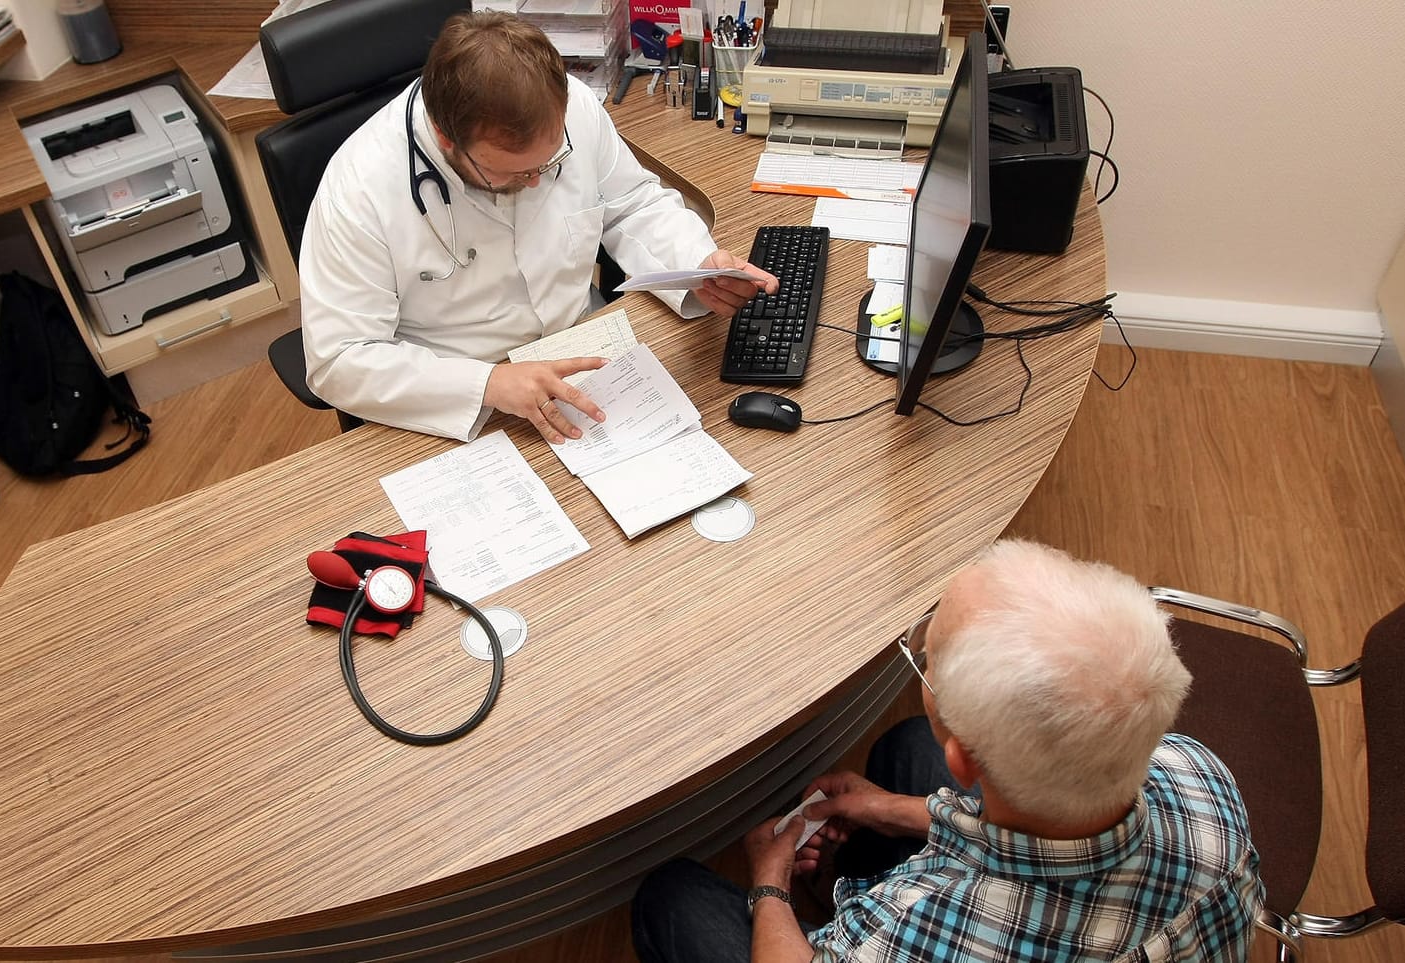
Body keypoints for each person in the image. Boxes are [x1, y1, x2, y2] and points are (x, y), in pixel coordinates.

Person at [631, 539, 1264, 962]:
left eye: (928, 658)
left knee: (673, 897)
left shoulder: (913, 938)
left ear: (963, 757)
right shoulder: (1201, 773)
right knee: (906, 747)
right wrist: (894, 809)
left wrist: (769, 882)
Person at [298, 11, 776, 443]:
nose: (533, 183)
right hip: (462, 398)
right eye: (509, 172)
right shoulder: (359, 190)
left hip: (583, 353)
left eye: (549, 164)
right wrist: (487, 383)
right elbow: (338, 360)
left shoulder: (577, 111)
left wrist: (696, 263)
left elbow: (632, 204)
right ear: (446, 138)